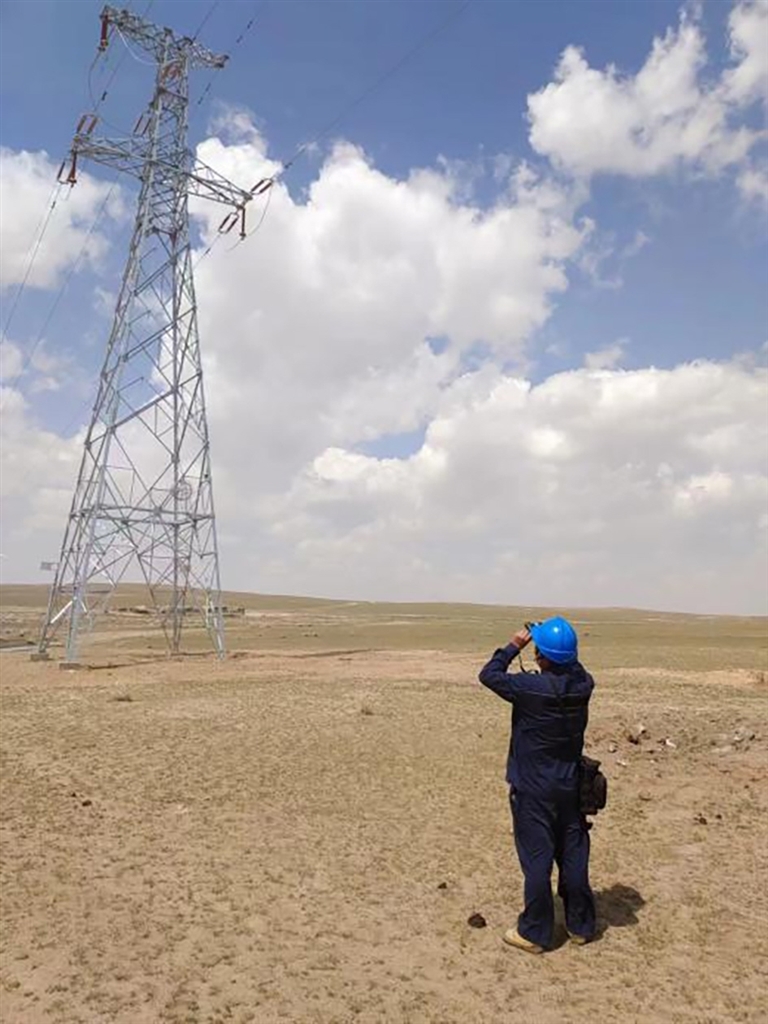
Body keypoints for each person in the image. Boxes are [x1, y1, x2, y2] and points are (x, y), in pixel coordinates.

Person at [478, 616, 596, 954]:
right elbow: (572, 667)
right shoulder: (584, 685)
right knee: (573, 854)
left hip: (533, 790)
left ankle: (534, 932)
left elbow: (489, 675)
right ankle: (580, 925)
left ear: (541, 655)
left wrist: (516, 643)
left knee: (537, 859)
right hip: (570, 785)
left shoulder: (529, 689)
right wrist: (556, 648)